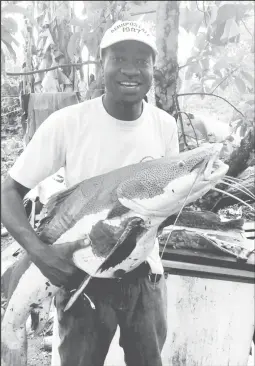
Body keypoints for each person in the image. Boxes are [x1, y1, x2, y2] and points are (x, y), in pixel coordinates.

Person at [1, 20, 179, 366]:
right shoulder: (69, 123)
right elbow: (8, 191)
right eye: (119, 58)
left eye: (142, 60)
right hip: (82, 278)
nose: (131, 69)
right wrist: (41, 254)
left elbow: (167, 201)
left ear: (152, 69)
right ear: (102, 64)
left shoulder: (164, 126)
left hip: (144, 276)